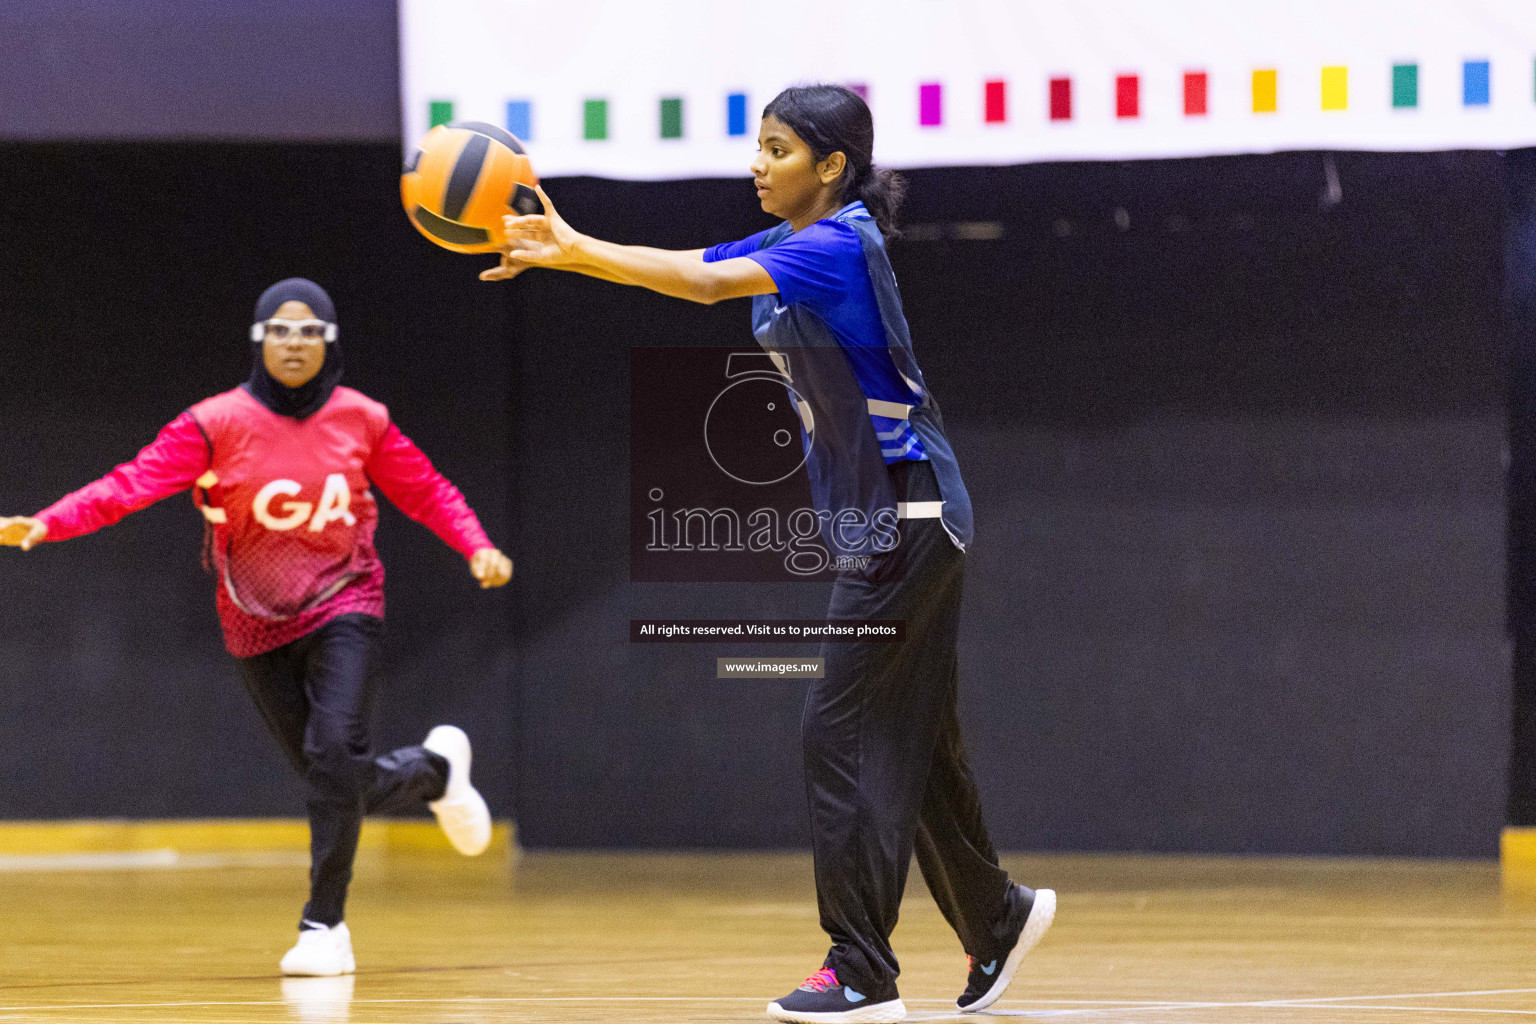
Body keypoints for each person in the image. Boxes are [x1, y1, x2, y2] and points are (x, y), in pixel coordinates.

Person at [481, 85, 1054, 1023]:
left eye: (778, 149)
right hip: (894, 517)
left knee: (838, 732)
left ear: (830, 167)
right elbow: (687, 266)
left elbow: (705, 287)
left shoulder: (833, 246)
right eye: (758, 145)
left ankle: (861, 971)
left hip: (904, 516)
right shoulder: (790, 244)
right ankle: (995, 917)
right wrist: (569, 252)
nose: (757, 163)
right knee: (914, 742)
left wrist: (574, 247)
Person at [0, 278, 513, 977]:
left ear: (327, 343)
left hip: (345, 603)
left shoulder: (363, 419)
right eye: (280, 330)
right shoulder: (215, 423)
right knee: (333, 777)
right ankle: (435, 772)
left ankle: (323, 928)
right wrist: (48, 523)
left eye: (308, 333)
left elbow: (427, 489)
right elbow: (130, 484)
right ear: (259, 340)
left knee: (333, 757)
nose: (293, 343)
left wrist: (474, 542)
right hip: (254, 623)